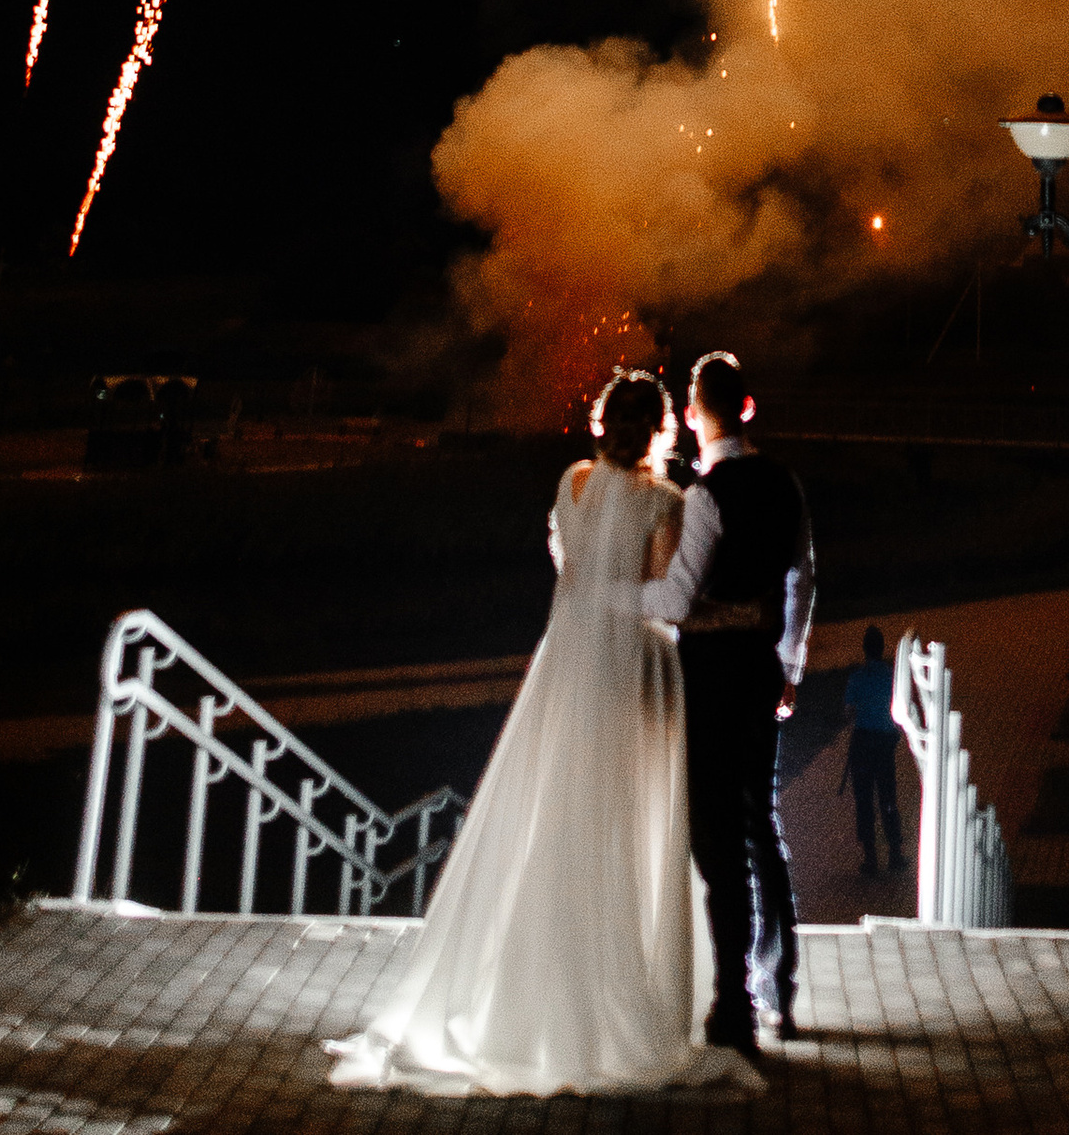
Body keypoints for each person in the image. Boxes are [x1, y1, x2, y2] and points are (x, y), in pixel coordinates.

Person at [328, 366, 758, 1099]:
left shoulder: (573, 484)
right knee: (626, 834)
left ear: (601, 424)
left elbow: (572, 569)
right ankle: (611, 1002)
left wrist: (595, 591)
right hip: (633, 680)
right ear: (663, 428)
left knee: (556, 826)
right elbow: (661, 602)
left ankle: (533, 997)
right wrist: (736, 618)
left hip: (568, 672)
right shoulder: (667, 503)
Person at [620, 352, 814, 1061]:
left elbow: (674, 600)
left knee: (716, 836)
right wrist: (788, 665)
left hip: (710, 677)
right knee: (761, 820)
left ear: (698, 413)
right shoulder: (786, 483)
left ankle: (732, 1002)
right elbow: (802, 581)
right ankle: (779, 984)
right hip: (761, 669)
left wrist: (610, 600)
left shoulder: (707, 495)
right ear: (750, 407)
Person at [841, 625, 904, 876]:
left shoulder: (857, 677)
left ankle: (870, 858)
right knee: (888, 797)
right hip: (885, 743)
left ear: (864, 649)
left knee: (864, 800)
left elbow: (848, 712)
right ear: (882, 648)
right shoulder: (892, 676)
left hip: (863, 743)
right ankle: (895, 854)